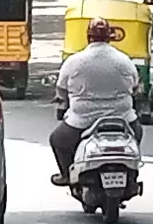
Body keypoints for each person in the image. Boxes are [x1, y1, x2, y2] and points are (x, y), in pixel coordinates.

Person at [52, 18, 141, 182]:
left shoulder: (74, 61)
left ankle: (66, 175)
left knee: (57, 140)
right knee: (137, 136)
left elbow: (61, 90)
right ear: (109, 37)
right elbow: (135, 89)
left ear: (88, 37)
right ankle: (132, 174)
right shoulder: (125, 61)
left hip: (82, 121)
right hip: (123, 119)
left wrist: (63, 103)